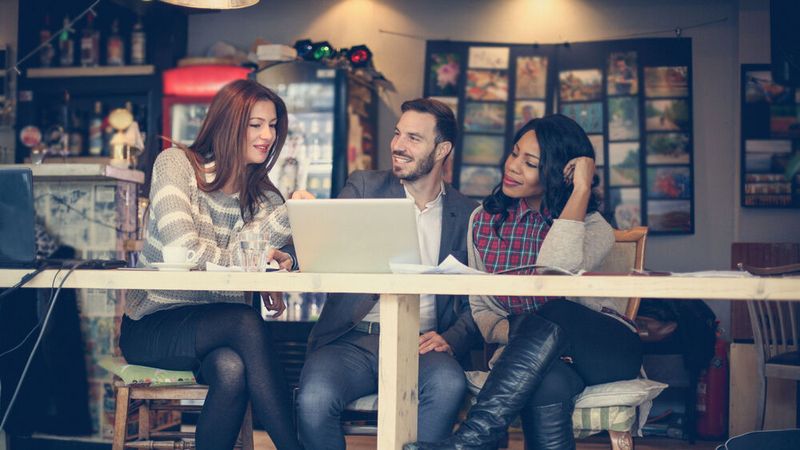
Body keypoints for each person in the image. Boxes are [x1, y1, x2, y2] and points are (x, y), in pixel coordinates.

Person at [407, 114, 643, 450]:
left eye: (529, 162)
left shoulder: (593, 229)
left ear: (560, 173)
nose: (513, 167)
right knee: (548, 382)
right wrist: (521, 333)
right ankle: (472, 441)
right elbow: (482, 307)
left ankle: (471, 439)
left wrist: (581, 189)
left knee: (556, 310)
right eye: (514, 153)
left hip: (605, 351)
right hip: (537, 362)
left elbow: (553, 274)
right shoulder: (484, 221)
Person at [119, 79, 303, 450]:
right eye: (256, 124)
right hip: (154, 323)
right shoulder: (176, 165)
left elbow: (244, 260)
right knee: (245, 321)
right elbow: (185, 248)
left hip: (224, 331)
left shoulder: (265, 198)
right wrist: (257, 261)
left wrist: (282, 246)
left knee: (232, 370)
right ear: (228, 123)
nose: (267, 135)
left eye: (272, 125)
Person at [296, 98, 481, 450]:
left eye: (413, 138)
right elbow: (323, 237)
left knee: (448, 386)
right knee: (314, 399)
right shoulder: (364, 187)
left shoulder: (469, 213)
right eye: (398, 134)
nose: (397, 145)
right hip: (353, 340)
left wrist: (453, 338)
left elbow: (481, 297)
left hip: (423, 345)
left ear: (442, 149)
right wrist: (294, 246)